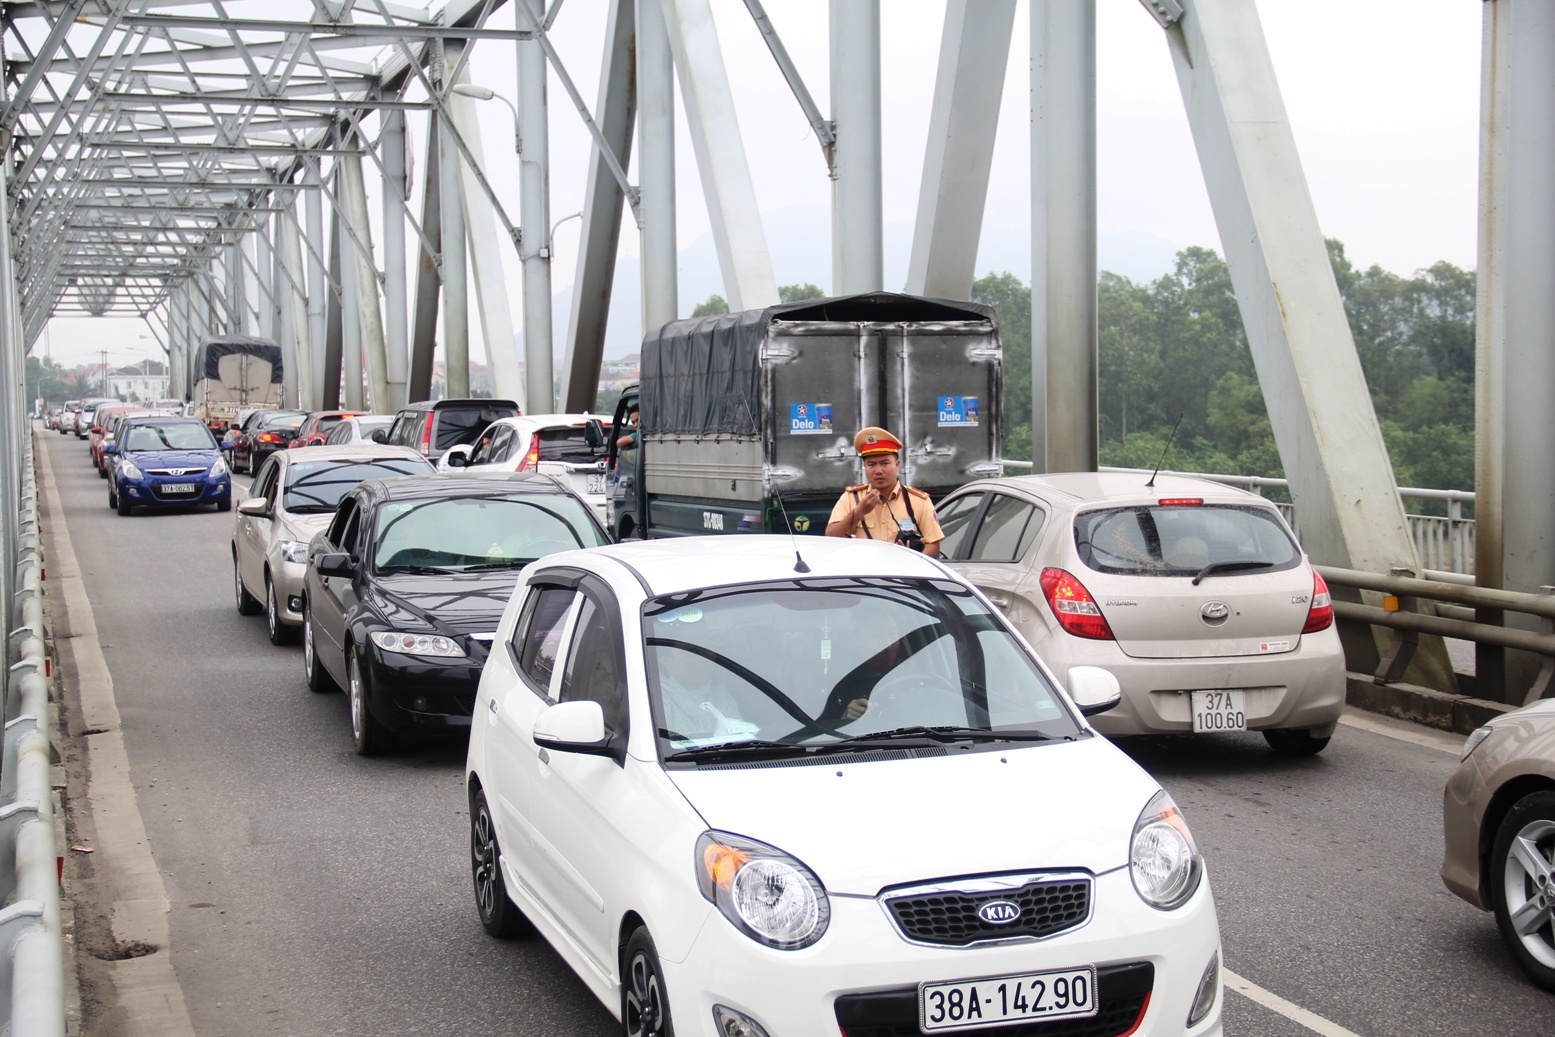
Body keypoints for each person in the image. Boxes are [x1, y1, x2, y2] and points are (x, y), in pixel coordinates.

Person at [825, 426, 944, 557]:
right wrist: (859, 511)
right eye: (871, 464)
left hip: (904, 574)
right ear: (864, 467)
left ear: (897, 464)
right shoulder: (851, 498)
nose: (878, 470)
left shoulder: (918, 501)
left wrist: (912, 561)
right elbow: (831, 537)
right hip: (864, 574)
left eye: (885, 463)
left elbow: (933, 545)